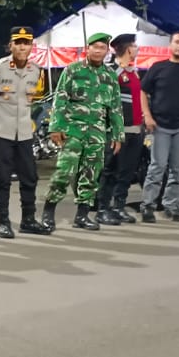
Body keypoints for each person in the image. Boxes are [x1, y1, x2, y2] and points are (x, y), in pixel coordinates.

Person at [0, 26, 52, 239]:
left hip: (24, 134)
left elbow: (34, 101)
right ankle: (3, 222)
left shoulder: (35, 70)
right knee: (1, 178)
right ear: (10, 45)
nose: (22, 47)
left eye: (26, 43)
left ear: (31, 46)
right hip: (0, 132)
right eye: (17, 43)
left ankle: (28, 220)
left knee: (30, 177)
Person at [43, 34, 122, 231]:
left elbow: (115, 107)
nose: (98, 51)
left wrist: (118, 134)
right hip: (73, 131)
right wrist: (56, 127)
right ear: (87, 48)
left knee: (91, 175)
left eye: (102, 48)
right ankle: (48, 212)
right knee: (64, 171)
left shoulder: (110, 76)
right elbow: (60, 99)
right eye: (94, 47)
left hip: (97, 133)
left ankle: (82, 215)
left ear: (107, 51)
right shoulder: (73, 70)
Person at [139, 31, 179, 222]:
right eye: (177, 42)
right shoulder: (158, 68)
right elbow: (143, 92)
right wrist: (147, 116)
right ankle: (148, 206)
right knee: (157, 167)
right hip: (159, 126)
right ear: (170, 45)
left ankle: (172, 205)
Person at [96, 34, 147, 224]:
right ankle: (103, 208)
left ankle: (118, 207)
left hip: (135, 129)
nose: (137, 48)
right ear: (127, 49)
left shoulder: (134, 72)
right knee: (110, 171)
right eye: (135, 45)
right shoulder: (111, 72)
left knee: (126, 171)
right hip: (117, 131)